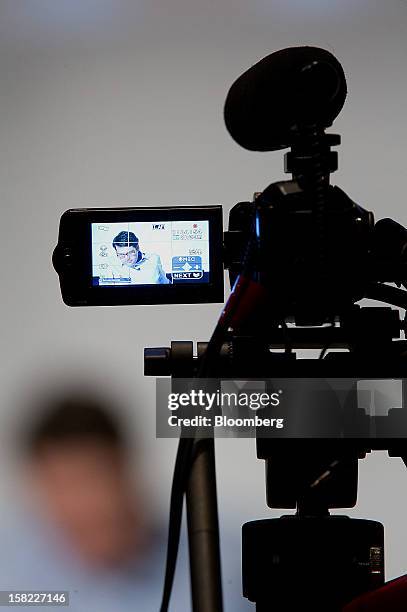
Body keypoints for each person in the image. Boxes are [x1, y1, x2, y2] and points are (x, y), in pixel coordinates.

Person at [0, 388, 250, 611]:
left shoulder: (230, 558)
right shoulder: (9, 577)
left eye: (91, 478)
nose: (82, 506)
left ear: (126, 469)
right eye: (60, 487)